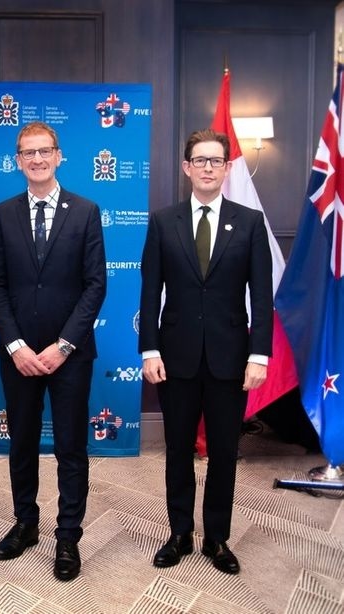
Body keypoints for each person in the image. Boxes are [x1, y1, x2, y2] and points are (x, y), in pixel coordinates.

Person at [139, 129, 272, 575]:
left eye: (217, 160)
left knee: (221, 451)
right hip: (174, 357)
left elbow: (262, 296)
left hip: (230, 357)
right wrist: (149, 349)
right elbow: (149, 293)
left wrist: (260, 355)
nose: (209, 167)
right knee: (177, 449)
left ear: (228, 167)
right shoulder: (163, 221)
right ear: (186, 167)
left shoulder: (250, 222)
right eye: (200, 160)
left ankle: (217, 537)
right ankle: (179, 533)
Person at [0, 121, 106, 582]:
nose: (36, 159)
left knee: (72, 448)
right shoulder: (3, 213)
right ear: (18, 160)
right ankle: (25, 524)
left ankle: (68, 536)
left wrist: (63, 346)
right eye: (27, 152)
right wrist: (16, 345)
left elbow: (96, 285)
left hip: (70, 355)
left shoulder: (86, 211)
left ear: (59, 156)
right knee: (22, 444)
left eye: (44, 151)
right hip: (17, 354)